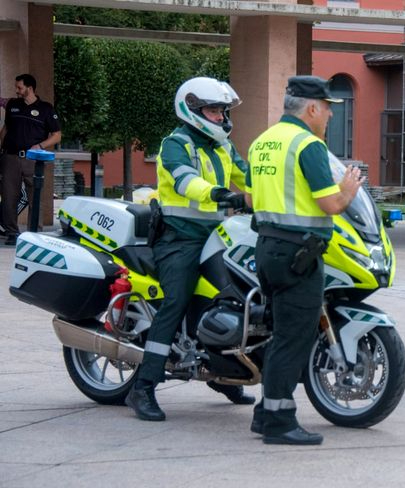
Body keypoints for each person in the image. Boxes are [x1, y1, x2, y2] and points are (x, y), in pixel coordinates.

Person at [125, 77, 254, 421]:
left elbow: (250, 177)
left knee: (235, 294)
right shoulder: (175, 144)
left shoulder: (224, 146)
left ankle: (224, 372)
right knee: (176, 301)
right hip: (177, 239)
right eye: (214, 110)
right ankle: (143, 387)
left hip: (216, 235)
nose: (221, 118)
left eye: (223, 111)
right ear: (192, 110)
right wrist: (222, 194)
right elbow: (186, 182)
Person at [248, 76, 364, 445]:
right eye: (328, 107)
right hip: (300, 256)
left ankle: (265, 414)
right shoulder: (307, 145)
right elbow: (330, 204)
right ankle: (280, 422)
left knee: (277, 333)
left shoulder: (262, 142)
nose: (330, 114)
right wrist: (348, 191)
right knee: (293, 338)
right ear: (312, 108)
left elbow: (251, 199)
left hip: (267, 250)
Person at [0, 74, 61, 245]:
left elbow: (57, 136)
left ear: (30, 88)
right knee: (9, 196)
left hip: (33, 160)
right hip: (10, 157)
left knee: (35, 196)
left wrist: (40, 146)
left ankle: (35, 234)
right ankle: (11, 232)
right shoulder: (13, 105)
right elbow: (6, 128)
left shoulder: (46, 109)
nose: (17, 90)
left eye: (19, 87)